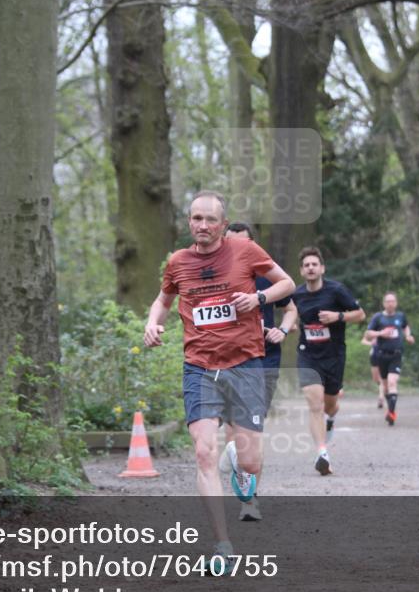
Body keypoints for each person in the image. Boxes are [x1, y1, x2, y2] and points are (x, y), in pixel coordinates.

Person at [143, 191, 295, 563]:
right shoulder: (178, 262)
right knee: (203, 452)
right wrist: (152, 324)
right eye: (197, 218)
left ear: (223, 225)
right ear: (189, 222)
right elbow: (163, 300)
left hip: (245, 363)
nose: (203, 225)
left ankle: (240, 466)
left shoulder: (245, 250)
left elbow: (287, 284)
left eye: (211, 219)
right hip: (199, 367)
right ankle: (222, 545)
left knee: (251, 462)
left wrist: (258, 300)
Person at [221, 222, 298, 521]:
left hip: (264, 361)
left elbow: (291, 309)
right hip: (227, 358)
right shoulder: (215, 275)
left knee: (251, 431)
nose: (237, 249)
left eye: (243, 243)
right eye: (230, 243)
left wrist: (283, 330)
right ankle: (242, 479)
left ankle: (250, 501)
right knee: (232, 432)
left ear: (253, 245)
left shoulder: (267, 276)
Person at [291, 246, 365, 475]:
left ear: (322, 268)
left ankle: (331, 419)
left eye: (314, 264)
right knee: (315, 404)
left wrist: (338, 316)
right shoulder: (297, 295)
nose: (310, 268)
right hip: (308, 354)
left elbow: (360, 315)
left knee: (330, 405)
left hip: (333, 355)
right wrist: (289, 326)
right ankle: (322, 453)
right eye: (306, 265)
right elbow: (292, 316)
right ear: (301, 271)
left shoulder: (337, 291)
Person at [365, 292, 415, 425]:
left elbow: (405, 326)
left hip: (396, 354)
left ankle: (391, 414)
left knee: (393, 382)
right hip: (382, 355)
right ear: (383, 303)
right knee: (386, 387)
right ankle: (390, 409)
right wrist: (380, 333)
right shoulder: (378, 317)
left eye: (392, 301)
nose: (390, 304)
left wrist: (408, 336)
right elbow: (368, 334)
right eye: (388, 301)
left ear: (396, 303)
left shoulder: (400, 316)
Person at [361, 330, 387, 409]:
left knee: (381, 378)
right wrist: (371, 343)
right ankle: (384, 390)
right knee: (376, 378)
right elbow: (363, 341)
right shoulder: (372, 329)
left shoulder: (386, 328)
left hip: (384, 354)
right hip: (374, 355)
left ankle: (381, 397)